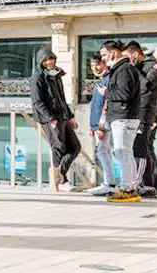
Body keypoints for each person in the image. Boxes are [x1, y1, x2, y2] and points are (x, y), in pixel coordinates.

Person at [28, 50, 80, 187]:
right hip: (50, 118)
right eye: (45, 60)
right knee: (58, 147)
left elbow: (62, 98)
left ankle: (60, 176)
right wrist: (50, 118)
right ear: (41, 62)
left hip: (63, 116)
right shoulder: (37, 77)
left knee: (75, 147)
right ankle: (57, 182)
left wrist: (70, 116)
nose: (49, 62)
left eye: (51, 59)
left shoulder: (56, 75)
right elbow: (37, 102)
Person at [100, 40, 142, 203]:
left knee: (122, 152)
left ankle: (127, 189)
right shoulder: (123, 69)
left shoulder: (124, 70)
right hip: (125, 117)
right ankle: (130, 186)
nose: (103, 59)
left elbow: (123, 94)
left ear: (113, 53)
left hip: (123, 117)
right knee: (126, 152)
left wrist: (106, 92)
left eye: (104, 55)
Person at [128, 44, 157, 197]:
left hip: (150, 113)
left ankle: (148, 183)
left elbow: (145, 86)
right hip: (141, 112)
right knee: (142, 146)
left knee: (144, 147)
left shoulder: (156, 67)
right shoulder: (143, 67)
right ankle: (147, 183)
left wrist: (135, 70)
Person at [87, 55, 115, 196]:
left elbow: (106, 105)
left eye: (98, 64)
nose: (95, 68)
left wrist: (101, 127)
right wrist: (92, 127)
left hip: (104, 124)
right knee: (102, 151)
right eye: (92, 66)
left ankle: (109, 183)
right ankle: (109, 182)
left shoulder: (108, 80)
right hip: (98, 125)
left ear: (105, 64)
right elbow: (95, 106)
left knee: (103, 151)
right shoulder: (101, 81)